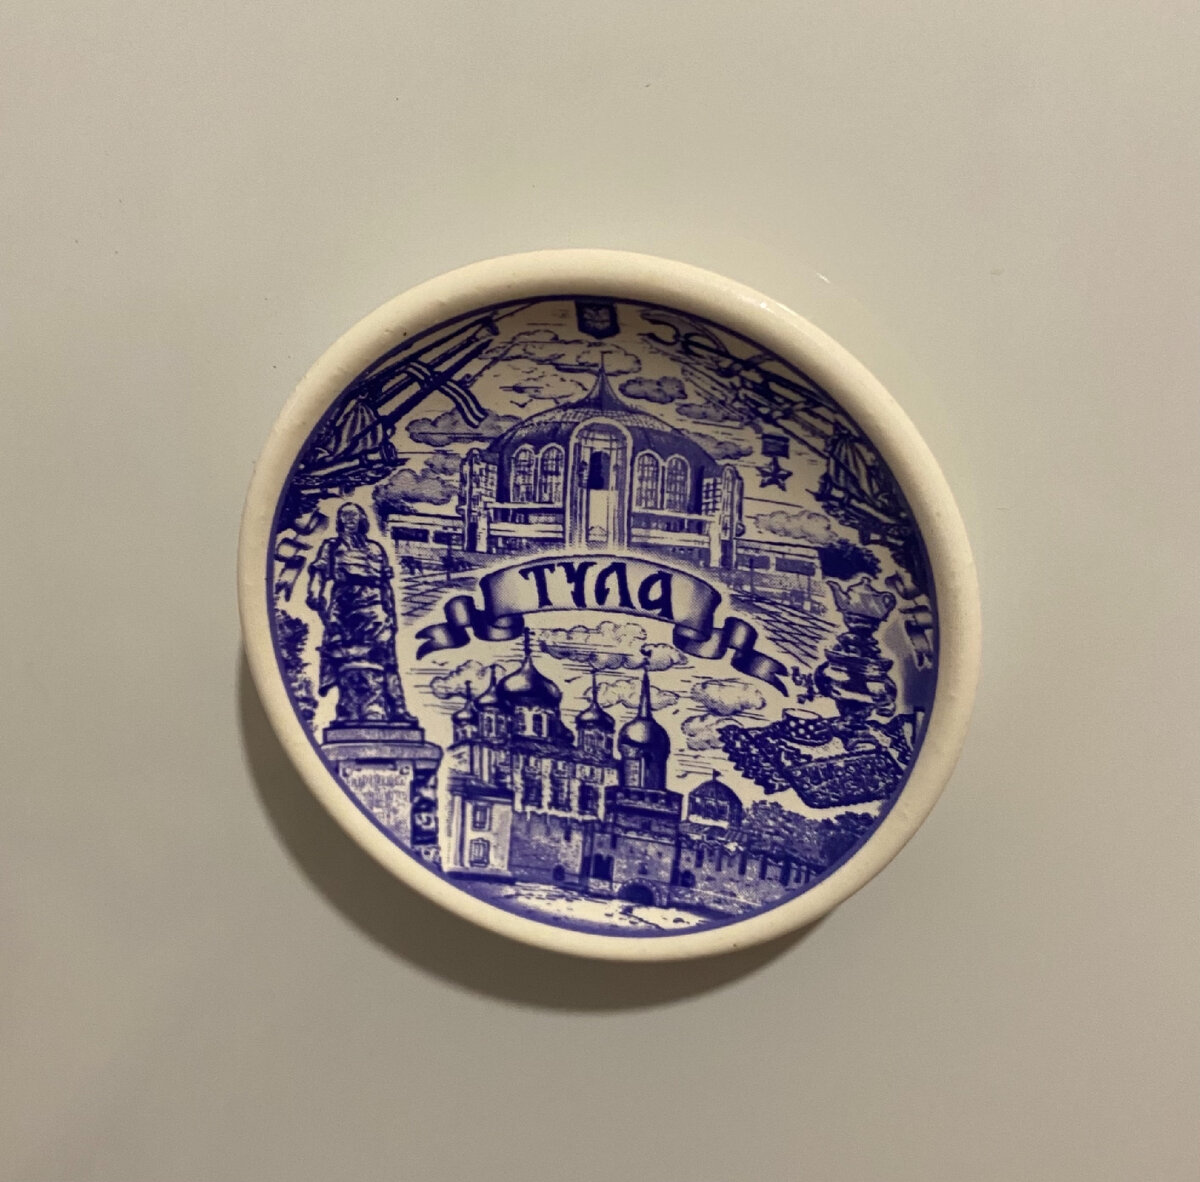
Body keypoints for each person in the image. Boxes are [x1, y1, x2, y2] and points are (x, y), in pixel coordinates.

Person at [306, 502, 410, 723]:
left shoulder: (375, 549)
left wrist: (391, 613)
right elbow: (319, 572)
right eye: (345, 515)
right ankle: (350, 710)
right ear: (340, 521)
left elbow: (385, 584)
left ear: (362, 519)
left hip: (375, 606)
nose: (350, 519)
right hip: (345, 605)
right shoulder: (332, 547)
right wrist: (314, 592)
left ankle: (397, 708)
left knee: (385, 657)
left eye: (354, 515)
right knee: (345, 657)